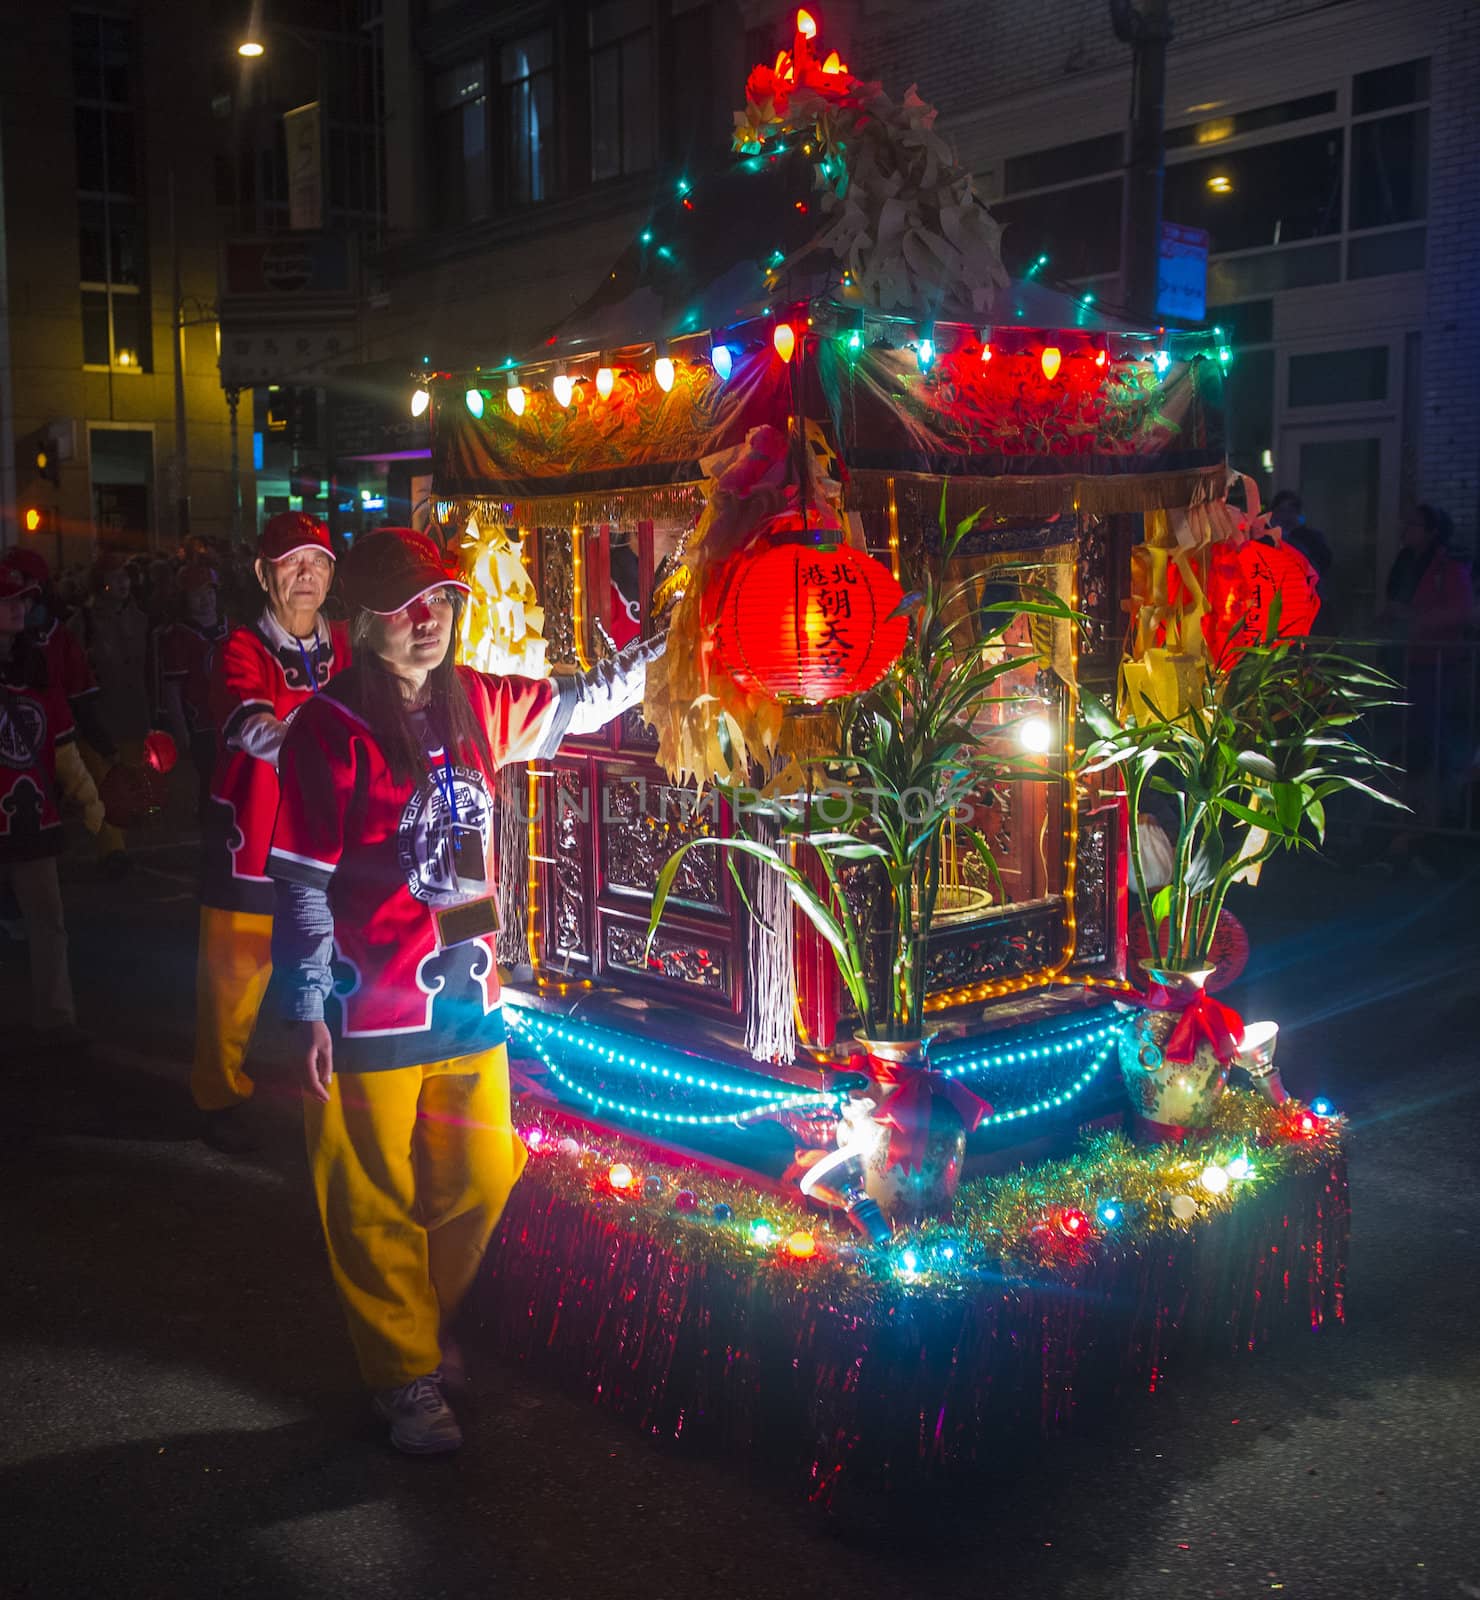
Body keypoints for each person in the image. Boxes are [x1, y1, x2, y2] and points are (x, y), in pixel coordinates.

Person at [268, 527, 661, 1455]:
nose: (429, 620)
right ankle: (402, 1373)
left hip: (467, 998)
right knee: (368, 1195)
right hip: (366, 1006)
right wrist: (305, 1005)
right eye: (406, 607)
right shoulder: (328, 729)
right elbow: (300, 878)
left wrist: (677, 645)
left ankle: (430, 1326)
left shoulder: (476, 702)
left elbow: (587, 700)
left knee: (483, 1177)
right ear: (362, 623)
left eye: (440, 600)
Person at [192, 512, 350, 1154]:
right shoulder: (241, 649)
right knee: (234, 979)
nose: (307, 573)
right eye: (292, 562)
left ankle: (329, 1092)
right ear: (264, 573)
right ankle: (218, 1093)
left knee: (331, 975)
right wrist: (325, 752)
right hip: (250, 846)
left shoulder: (346, 642)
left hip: (326, 847)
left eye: (318, 561)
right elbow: (253, 726)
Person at [0, 562, 106, 1043]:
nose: (19, 608)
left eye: (22, 600)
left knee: (47, 923)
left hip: (32, 818)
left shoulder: (38, 667)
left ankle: (57, 1015)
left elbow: (63, 746)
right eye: (8, 602)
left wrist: (88, 795)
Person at [1379, 504, 1475, 850]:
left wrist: (1414, 618)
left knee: (1435, 744)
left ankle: (1436, 822)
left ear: (1433, 530)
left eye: (1413, 525)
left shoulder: (1448, 566)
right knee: (1411, 743)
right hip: (1410, 662)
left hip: (1438, 666)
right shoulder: (1406, 563)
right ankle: (1412, 820)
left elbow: (1461, 612)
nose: (1406, 531)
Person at [76, 553, 152, 874]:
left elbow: (150, 668)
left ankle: (118, 847)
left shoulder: (140, 619)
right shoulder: (84, 621)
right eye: (115, 576)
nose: (124, 582)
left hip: (133, 713)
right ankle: (112, 850)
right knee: (103, 784)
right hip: (98, 716)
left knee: (127, 785)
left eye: (126, 576)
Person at [155, 560, 226, 821]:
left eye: (209, 593)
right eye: (197, 595)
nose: (205, 601)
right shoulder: (179, 637)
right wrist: (181, 730)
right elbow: (172, 691)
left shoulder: (233, 629)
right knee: (209, 778)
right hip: (201, 724)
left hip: (232, 720)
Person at [1267, 490, 1332, 590]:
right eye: (1281, 511)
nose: (1285, 516)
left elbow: (1322, 564)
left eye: (1290, 511)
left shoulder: (1312, 538)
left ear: (1297, 513)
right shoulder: (1264, 538)